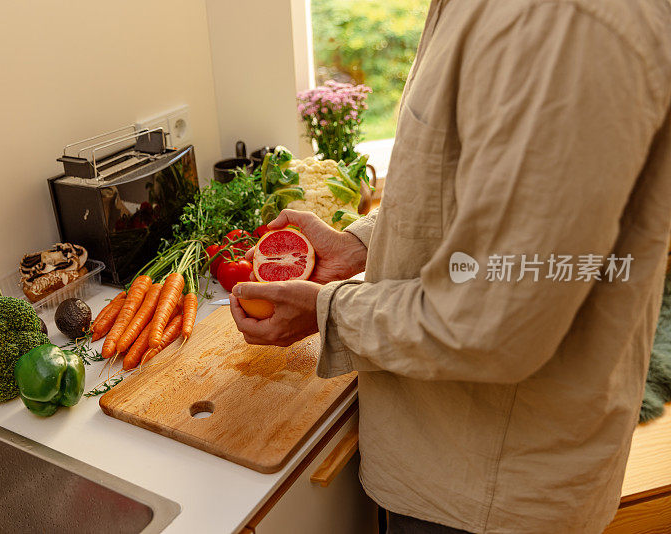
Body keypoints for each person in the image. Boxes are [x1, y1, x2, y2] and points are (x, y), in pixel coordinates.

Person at [229, 0, 671, 532]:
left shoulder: (565, 25)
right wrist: (363, 242)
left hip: (486, 495)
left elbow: (491, 322)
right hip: (450, 465)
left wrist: (329, 313)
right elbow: (471, 182)